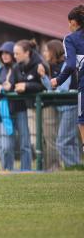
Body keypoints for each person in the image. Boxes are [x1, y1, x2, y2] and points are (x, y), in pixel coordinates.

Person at [40, 40, 81, 168]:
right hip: (64, 108)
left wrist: (51, 85)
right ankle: (77, 167)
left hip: (71, 106)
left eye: (47, 50)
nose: (44, 53)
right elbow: (52, 88)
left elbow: (61, 89)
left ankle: (72, 166)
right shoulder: (52, 67)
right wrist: (43, 76)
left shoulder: (66, 66)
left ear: (54, 51)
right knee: (70, 141)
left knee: (62, 142)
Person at [51, 5, 84, 152]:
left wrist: (58, 80)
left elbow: (70, 65)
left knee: (82, 121)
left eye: (69, 22)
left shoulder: (70, 39)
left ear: (74, 22)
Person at [12, 39, 46, 170]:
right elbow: (14, 84)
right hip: (30, 107)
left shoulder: (39, 64)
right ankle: (40, 167)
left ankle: (52, 167)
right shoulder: (17, 67)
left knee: (48, 140)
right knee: (34, 140)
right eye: (14, 54)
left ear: (27, 53)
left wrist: (26, 86)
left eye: (17, 53)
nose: (14, 56)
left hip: (45, 106)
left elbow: (44, 85)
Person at [0, 42, 17, 171]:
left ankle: (26, 169)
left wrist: (11, 87)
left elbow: (19, 83)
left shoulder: (18, 68)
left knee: (24, 143)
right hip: (4, 111)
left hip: (19, 109)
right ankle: (6, 169)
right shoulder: (0, 71)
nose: (4, 55)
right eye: (2, 53)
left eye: (7, 52)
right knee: (5, 145)